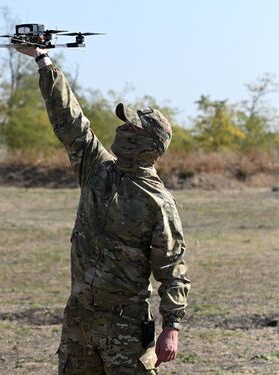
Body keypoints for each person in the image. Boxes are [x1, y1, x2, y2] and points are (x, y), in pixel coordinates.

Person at [17, 48, 191, 374]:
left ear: (149, 146)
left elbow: (172, 267)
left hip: (124, 324)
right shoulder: (97, 167)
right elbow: (69, 120)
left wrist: (172, 326)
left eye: (132, 127)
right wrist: (44, 61)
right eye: (124, 123)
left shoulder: (158, 202)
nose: (123, 128)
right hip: (79, 317)